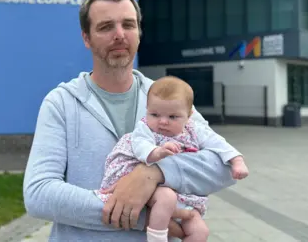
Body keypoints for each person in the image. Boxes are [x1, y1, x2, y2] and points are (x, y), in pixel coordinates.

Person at [23, 0, 238, 241]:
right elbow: (39, 194)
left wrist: (154, 172)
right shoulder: (61, 103)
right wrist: (149, 218)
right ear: (86, 38)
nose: (119, 35)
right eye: (105, 27)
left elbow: (224, 165)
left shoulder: (167, 97)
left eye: (128, 24)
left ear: (139, 32)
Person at [94, 76, 249, 241]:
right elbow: (140, 145)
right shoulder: (145, 127)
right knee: (166, 198)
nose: (162, 121)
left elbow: (218, 144)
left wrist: (236, 161)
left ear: (189, 115)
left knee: (200, 231)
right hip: (148, 185)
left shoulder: (194, 130)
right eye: (154, 114)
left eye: (173, 117)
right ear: (147, 110)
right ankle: (156, 238)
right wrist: (157, 152)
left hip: (181, 192)